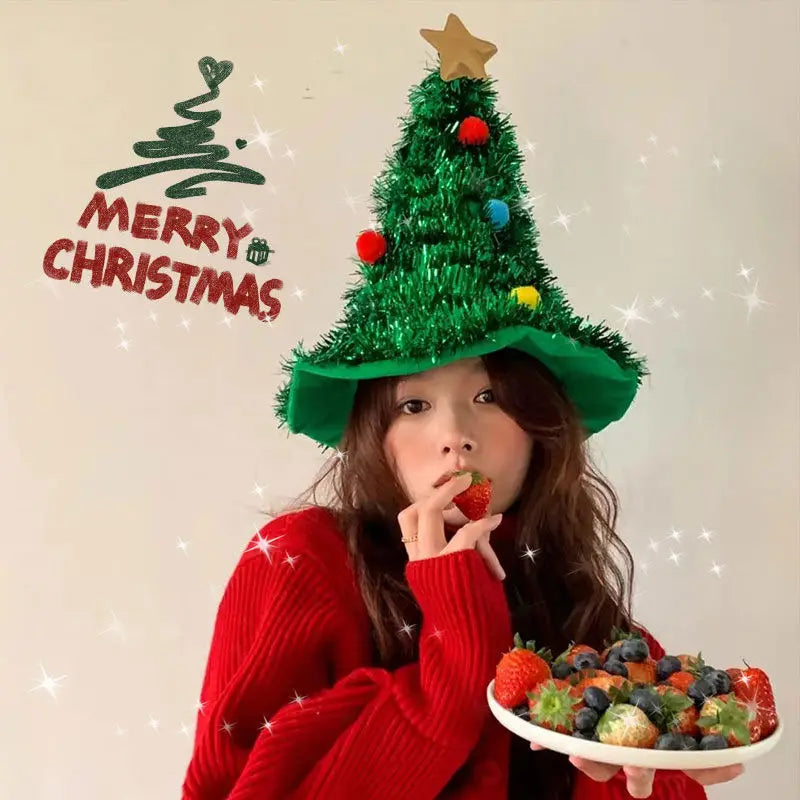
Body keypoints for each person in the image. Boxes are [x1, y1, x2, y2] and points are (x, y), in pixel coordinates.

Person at [181, 12, 745, 799]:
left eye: (487, 396)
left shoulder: (572, 593)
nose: (455, 437)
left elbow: (659, 758)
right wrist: (454, 620)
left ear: (540, 422)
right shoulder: (302, 566)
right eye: (413, 405)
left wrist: (650, 766)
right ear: (371, 434)